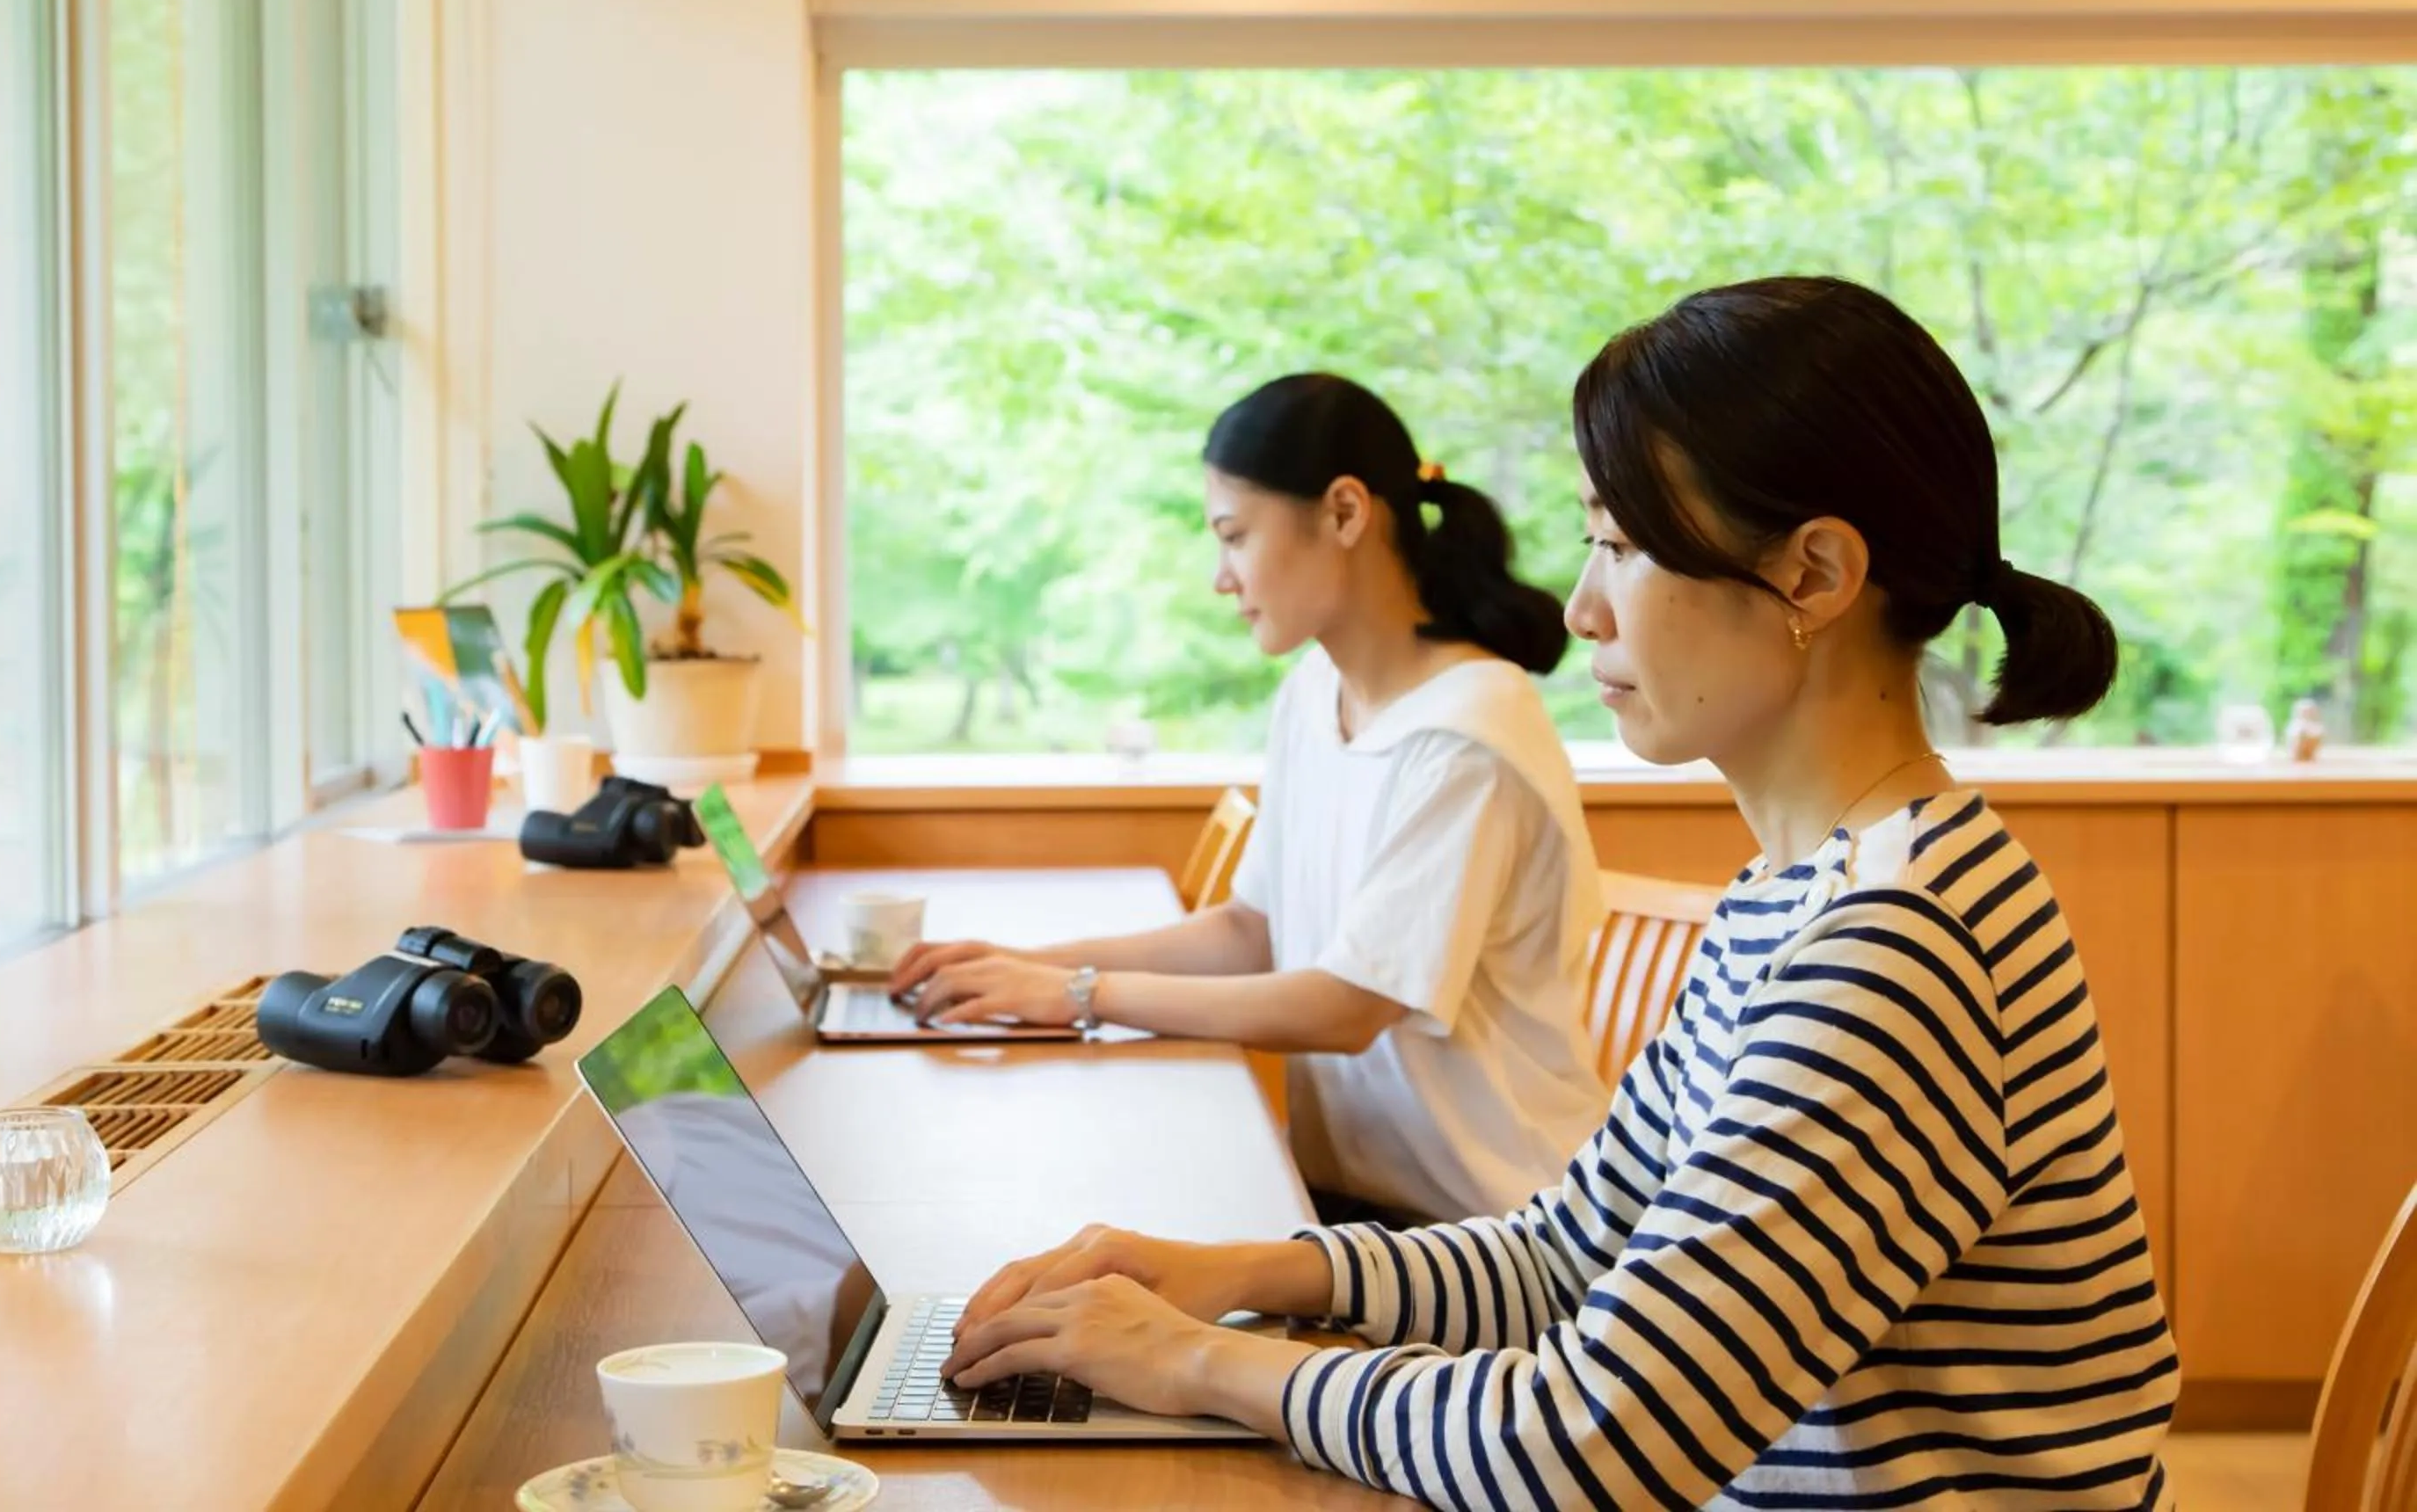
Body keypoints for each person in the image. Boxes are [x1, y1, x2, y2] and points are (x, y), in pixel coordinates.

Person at [927, 280, 2180, 1508]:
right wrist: (1231, 1272)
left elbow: (1587, 1446)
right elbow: (1567, 1251)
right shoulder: (1797, 892)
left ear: (1814, 575)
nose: (1581, 609)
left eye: (1624, 547)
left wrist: (1197, 1361)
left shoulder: (1898, 945)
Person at [892, 374, 1609, 1225]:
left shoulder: (1469, 729)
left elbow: (1346, 1005)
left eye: (1234, 536)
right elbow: (1250, 929)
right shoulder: (1316, 689)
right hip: (1360, 1213)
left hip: (1495, 1228)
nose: (1221, 579)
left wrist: (1080, 992)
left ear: (1346, 513)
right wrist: (1025, 964)